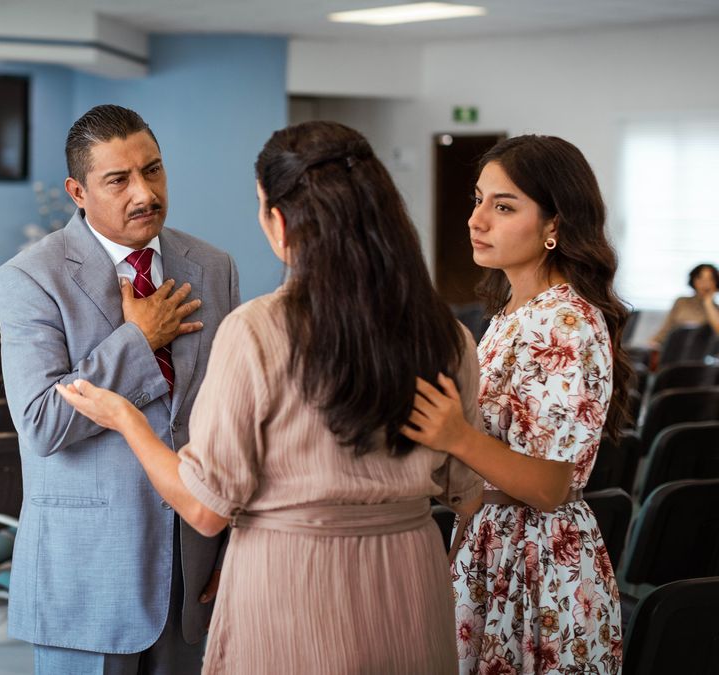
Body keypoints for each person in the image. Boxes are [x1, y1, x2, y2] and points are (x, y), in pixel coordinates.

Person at [57, 121, 484, 673]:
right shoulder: (448, 336)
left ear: (279, 222)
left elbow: (206, 509)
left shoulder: (258, 331)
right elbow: (466, 492)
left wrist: (126, 420)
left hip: (295, 582)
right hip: (411, 581)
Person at [0, 104, 240, 674]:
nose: (144, 193)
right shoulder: (29, 277)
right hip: (88, 575)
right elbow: (42, 423)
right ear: (77, 192)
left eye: (153, 170)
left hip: (195, 568)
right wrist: (138, 340)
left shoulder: (213, 266)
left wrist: (233, 544)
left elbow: (231, 417)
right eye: (118, 180)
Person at [402, 135, 630, 674]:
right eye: (478, 200)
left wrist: (455, 435)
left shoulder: (565, 320)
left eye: (503, 207)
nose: (476, 220)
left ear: (555, 225)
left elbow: (549, 486)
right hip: (497, 542)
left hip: (536, 560)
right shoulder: (515, 311)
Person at [648, 263, 719, 347]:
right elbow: (666, 328)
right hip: (674, 348)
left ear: (715, 283)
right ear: (693, 281)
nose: (704, 283)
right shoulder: (681, 302)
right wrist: (653, 342)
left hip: (701, 352)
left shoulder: (715, 310)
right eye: (700, 278)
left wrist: (708, 302)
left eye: (710, 279)